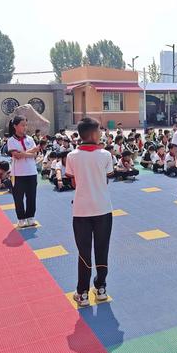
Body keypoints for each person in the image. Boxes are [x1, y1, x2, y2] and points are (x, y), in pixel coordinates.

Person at [65, 117, 114, 307]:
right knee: (102, 249)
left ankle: (82, 293)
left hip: (81, 210)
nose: (101, 134)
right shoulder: (105, 155)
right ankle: (101, 287)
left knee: (84, 252)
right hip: (102, 209)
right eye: (99, 131)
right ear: (93, 134)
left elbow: (73, 181)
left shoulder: (72, 156)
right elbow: (107, 178)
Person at [7, 115, 39, 228]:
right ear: (15, 126)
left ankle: (30, 217)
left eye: (26, 125)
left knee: (31, 196)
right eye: (22, 125)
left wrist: (23, 154)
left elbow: (35, 154)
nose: (25, 127)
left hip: (31, 172)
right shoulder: (11, 140)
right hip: (18, 174)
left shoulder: (30, 139)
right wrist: (29, 152)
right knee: (18, 197)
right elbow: (16, 156)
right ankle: (21, 218)